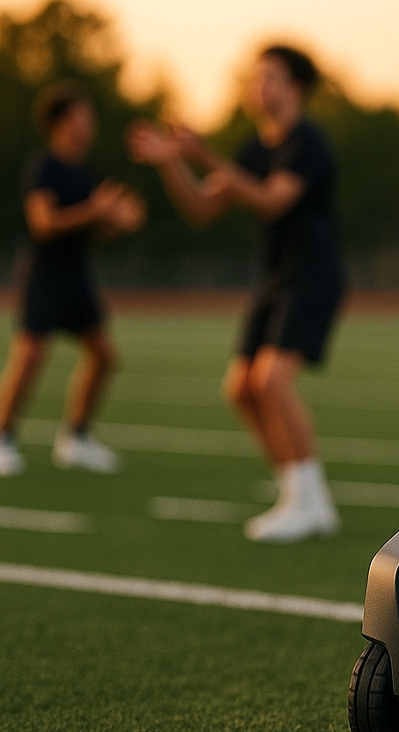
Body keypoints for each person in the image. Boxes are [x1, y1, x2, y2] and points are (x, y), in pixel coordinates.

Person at [126, 44, 344, 543]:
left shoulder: (307, 141)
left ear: (296, 87)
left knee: (272, 380)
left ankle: (313, 502)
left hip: (313, 274)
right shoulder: (252, 149)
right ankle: (297, 494)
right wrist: (171, 163)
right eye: (254, 77)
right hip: (275, 279)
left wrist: (203, 153)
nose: (256, 86)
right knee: (241, 388)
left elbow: (271, 201)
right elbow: (203, 209)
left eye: (268, 76)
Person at [0, 81, 146, 477]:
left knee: (104, 357)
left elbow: (97, 222)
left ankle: (76, 438)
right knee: (29, 356)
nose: (90, 123)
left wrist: (119, 219)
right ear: (64, 121)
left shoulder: (86, 172)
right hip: (44, 276)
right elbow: (43, 223)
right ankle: (2, 438)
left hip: (76, 278)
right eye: (84, 115)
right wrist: (95, 210)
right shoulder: (44, 165)